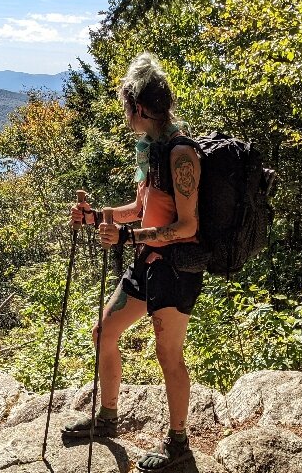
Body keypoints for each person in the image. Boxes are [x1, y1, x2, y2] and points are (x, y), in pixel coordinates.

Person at [62, 52, 206, 472]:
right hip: (147, 263)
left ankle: (178, 442)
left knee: (169, 355)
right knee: (103, 331)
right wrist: (96, 218)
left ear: (139, 108)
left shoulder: (181, 154)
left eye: (126, 106)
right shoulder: (150, 150)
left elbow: (187, 225)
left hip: (176, 270)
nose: (124, 113)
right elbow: (140, 209)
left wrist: (128, 236)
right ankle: (108, 419)